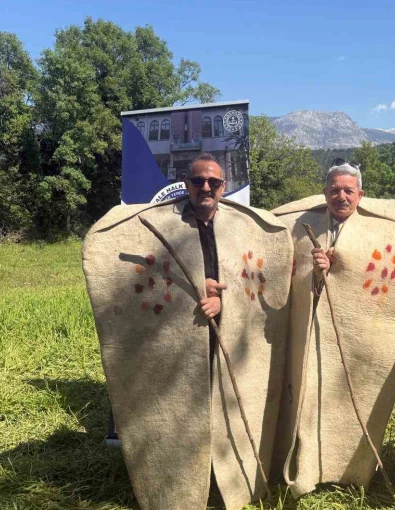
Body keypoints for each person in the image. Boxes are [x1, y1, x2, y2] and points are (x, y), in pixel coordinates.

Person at [83, 153, 294, 510]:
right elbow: (144, 277)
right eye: (198, 182)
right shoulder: (165, 224)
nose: (205, 188)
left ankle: (229, 478)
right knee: (183, 405)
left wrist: (226, 303)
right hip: (180, 338)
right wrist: (191, 292)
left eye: (213, 182)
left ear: (224, 187)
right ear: (187, 185)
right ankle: (178, 485)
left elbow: (257, 283)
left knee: (226, 397)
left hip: (227, 334)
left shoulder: (239, 228)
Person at [272, 162, 395, 498]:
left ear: (361, 195)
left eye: (349, 190)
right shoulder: (305, 228)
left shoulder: (382, 232)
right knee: (310, 399)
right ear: (325, 193)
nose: (341, 196)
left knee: (353, 401)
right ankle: (309, 466)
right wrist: (317, 272)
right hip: (311, 335)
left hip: (360, 338)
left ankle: (353, 470)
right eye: (334, 189)